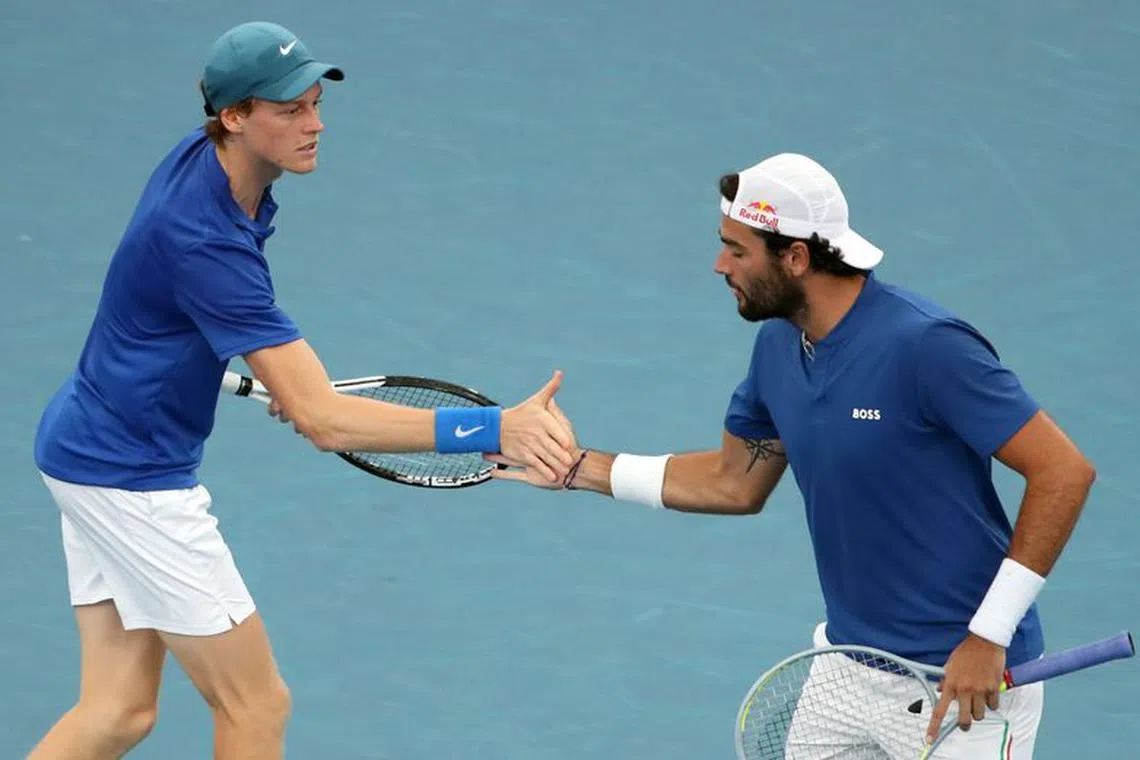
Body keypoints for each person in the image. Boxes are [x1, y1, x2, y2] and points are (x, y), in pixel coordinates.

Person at [30, 21, 574, 760]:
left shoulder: (214, 165)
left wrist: (285, 380)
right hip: (131, 479)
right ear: (234, 118)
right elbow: (325, 420)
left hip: (81, 446)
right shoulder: (205, 237)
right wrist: (494, 429)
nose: (315, 125)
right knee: (256, 707)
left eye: (316, 104)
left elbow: (181, 318)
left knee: (118, 710)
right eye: (289, 110)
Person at [488, 152, 1097, 758]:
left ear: (797, 258)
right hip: (845, 668)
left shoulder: (926, 347)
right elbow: (734, 481)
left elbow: (1064, 470)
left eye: (737, 249)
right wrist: (579, 468)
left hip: (964, 685)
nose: (719, 264)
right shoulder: (779, 346)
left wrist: (988, 636)